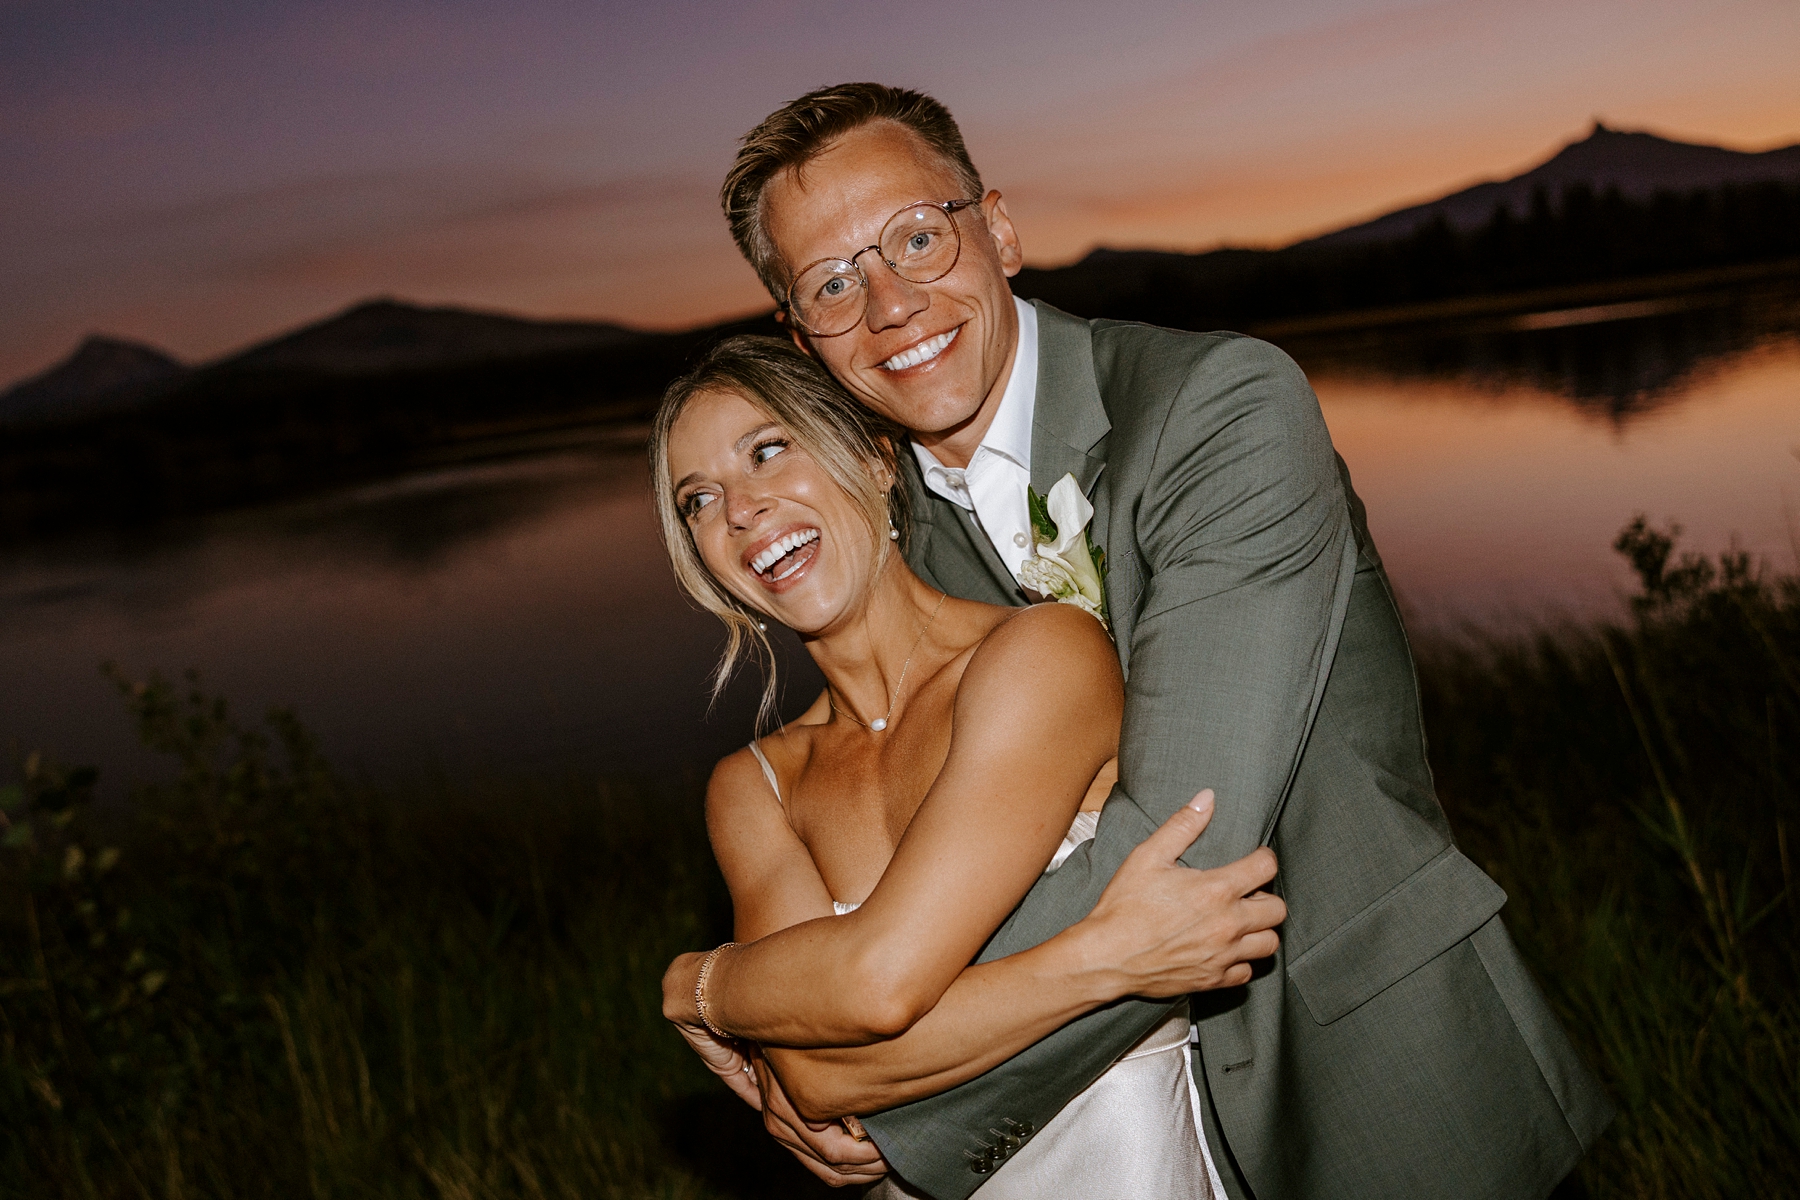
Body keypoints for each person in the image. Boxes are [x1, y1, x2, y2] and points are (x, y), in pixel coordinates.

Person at [667, 82, 1615, 1200]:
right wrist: (787, 1005)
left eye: (918, 237)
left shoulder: (1218, 409)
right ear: (801, 336)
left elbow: (1189, 849)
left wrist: (847, 1061)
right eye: (833, 282)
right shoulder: (877, 537)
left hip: (1369, 1074)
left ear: (999, 230)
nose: (890, 304)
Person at [655, 335, 1281, 1196]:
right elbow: (816, 1080)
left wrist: (698, 984)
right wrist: (1108, 957)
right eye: (698, 499)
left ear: (876, 459)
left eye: (768, 452)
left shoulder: (1042, 656)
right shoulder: (757, 787)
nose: (740, 510)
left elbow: (878, 989)